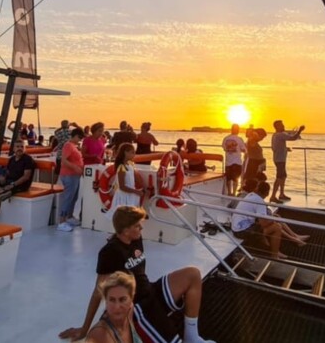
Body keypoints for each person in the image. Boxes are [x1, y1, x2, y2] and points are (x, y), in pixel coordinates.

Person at [59, 206, 215, 343]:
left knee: (193, 275)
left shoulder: (136, 240)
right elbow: (98, 292)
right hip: (139, 307)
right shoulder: (110, 252)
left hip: (150, 290)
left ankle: (192, 338)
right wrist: (85, 328)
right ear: (126, 231)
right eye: (137, 226)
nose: (141, 229)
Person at [231, 181, 308, 259]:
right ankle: (274, 256)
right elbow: (263, 223)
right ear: (267, 193)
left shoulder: (251, 195)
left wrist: (272, 219)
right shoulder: (260, 201)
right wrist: (273, 220)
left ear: (257, 189)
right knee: (276, 227)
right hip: (242, 232)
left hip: (237, 228)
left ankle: (280, 249)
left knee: (274, 221)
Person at [85, 272, 143, 343]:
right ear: (106, 302)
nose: (117, 307)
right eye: (112, 300)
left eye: (122, 299)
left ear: (131, 299)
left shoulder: (132, 313)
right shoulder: (99, 335)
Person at [270, 121, 305, 203]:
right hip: (280, 159)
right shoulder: (280, 135)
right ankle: (273, 196)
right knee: (279, 177)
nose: (283, 126)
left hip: (279, 158)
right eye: (282, 125)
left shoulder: (275, 135)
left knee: (283, 176)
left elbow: (275, 147)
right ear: (277, 126)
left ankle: (281, 194)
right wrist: (299, 130)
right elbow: (293, 138)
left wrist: (285, 149)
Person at [57, 128, 85, 232]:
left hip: (75, 176)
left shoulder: (74, 146)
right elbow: (64, 161)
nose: (80, 140)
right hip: (69, 175)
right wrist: (75, 167)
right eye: (79, 137)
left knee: (74, 197)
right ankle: (62, 221)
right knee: (68, 197)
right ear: (75, 136)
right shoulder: (68, 146)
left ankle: (69, 217)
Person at [107, 144, 143, 218]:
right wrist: (136, 191)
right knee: (124, 217)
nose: (134, 154)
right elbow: (122, 187)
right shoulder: (121, 167)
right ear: (125, 153)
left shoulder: (130, 165)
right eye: (132, 152)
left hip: (130, 195)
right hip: (123, 196)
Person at [222, 124, 247, 196]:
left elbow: (224, 148)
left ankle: (229, 192)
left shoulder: (226, 138)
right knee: (236, 178)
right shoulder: (239, 139)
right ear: (238, 130)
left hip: (228, 162)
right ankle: (234, 192)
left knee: (228, 178)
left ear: (231, 129)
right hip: (237, 161)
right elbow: (244, 150)